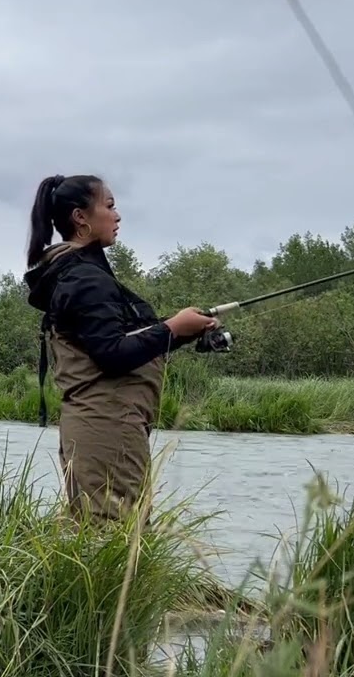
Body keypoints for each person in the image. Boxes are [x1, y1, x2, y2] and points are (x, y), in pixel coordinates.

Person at [22, 174, 218, 524]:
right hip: (107, 426)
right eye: (109, 206)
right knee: (116, 533)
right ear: (81, 217)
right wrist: (172, 327)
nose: (117, 215)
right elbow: (112, 354)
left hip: (101, 425)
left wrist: (181, 333)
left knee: (102, 531)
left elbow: (119, 342)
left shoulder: (80, 274)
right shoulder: (85, 279)